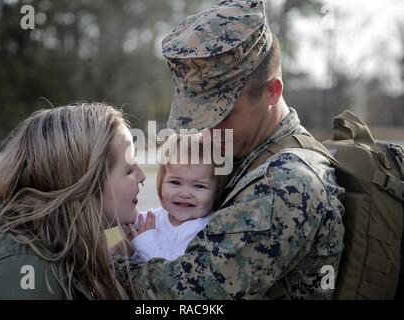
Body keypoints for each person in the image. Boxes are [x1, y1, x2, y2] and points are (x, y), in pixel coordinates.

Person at [114, 0, 345, 299]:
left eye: (221, 114)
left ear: (272, 92)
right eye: (198, 116)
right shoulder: (244, 155)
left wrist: (100, 263)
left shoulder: (287, 182)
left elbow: (190, 295)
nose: (206, 129)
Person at [0, 103, 146, 299]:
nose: (142, 176)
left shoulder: (23, 220)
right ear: (84, 184)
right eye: (129, 170)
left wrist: (106, 247)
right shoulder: (26, 276)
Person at [129, 134, 227, 261]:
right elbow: (119, 229)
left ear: (216, 192)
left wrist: (145, 242)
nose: (185, 194)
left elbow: (173, 272)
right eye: (175, 183)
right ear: (160, 183)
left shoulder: (206, 230)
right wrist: (110, 243)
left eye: (198, 186)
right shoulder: (152, 218)